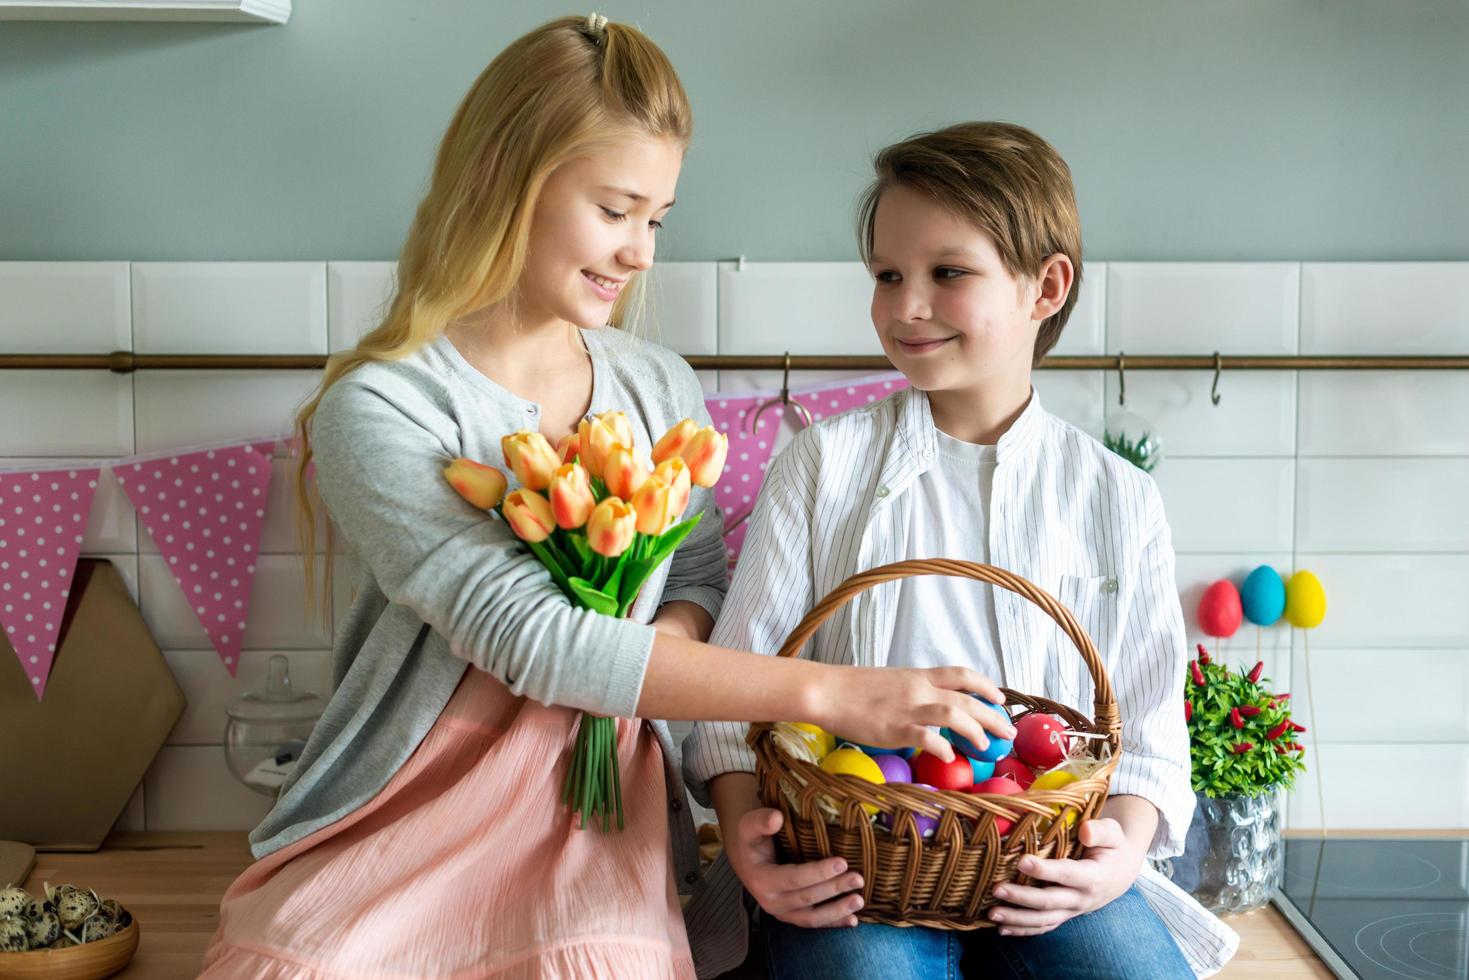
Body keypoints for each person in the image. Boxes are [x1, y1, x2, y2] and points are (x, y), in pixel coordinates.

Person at [198, 18, 1007, 979]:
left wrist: (644, 660)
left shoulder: (653, 383)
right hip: (409, 806)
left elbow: (697, 571)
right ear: (506, 173)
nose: (641, 255)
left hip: (596, 814)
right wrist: (835, 694)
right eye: (616, 210)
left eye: (656, 218)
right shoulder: (381, 406)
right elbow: (527, 638)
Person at [683, 122, 1240, 978]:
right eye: (886, 275)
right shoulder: (822, 466)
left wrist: (1115, 863)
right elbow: (732, 703)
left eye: (947, 273)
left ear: (1043, 287)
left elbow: (1150, 739)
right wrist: (751, 851)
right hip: (856, 867)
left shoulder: (1114, 497)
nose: (906, 305)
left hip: (1050, 874)